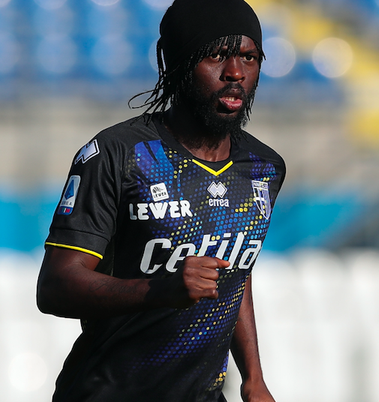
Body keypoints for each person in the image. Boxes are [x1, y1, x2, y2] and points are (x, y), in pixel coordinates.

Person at [36, 0, 284, 401]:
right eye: (216, 55)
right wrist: (158, 290)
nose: (235, 72)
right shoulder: (118, 154)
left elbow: (234, 273)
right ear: (179, 63)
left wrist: (254, 378)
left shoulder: (263, 167)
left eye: (249, 57)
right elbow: (55, 286)